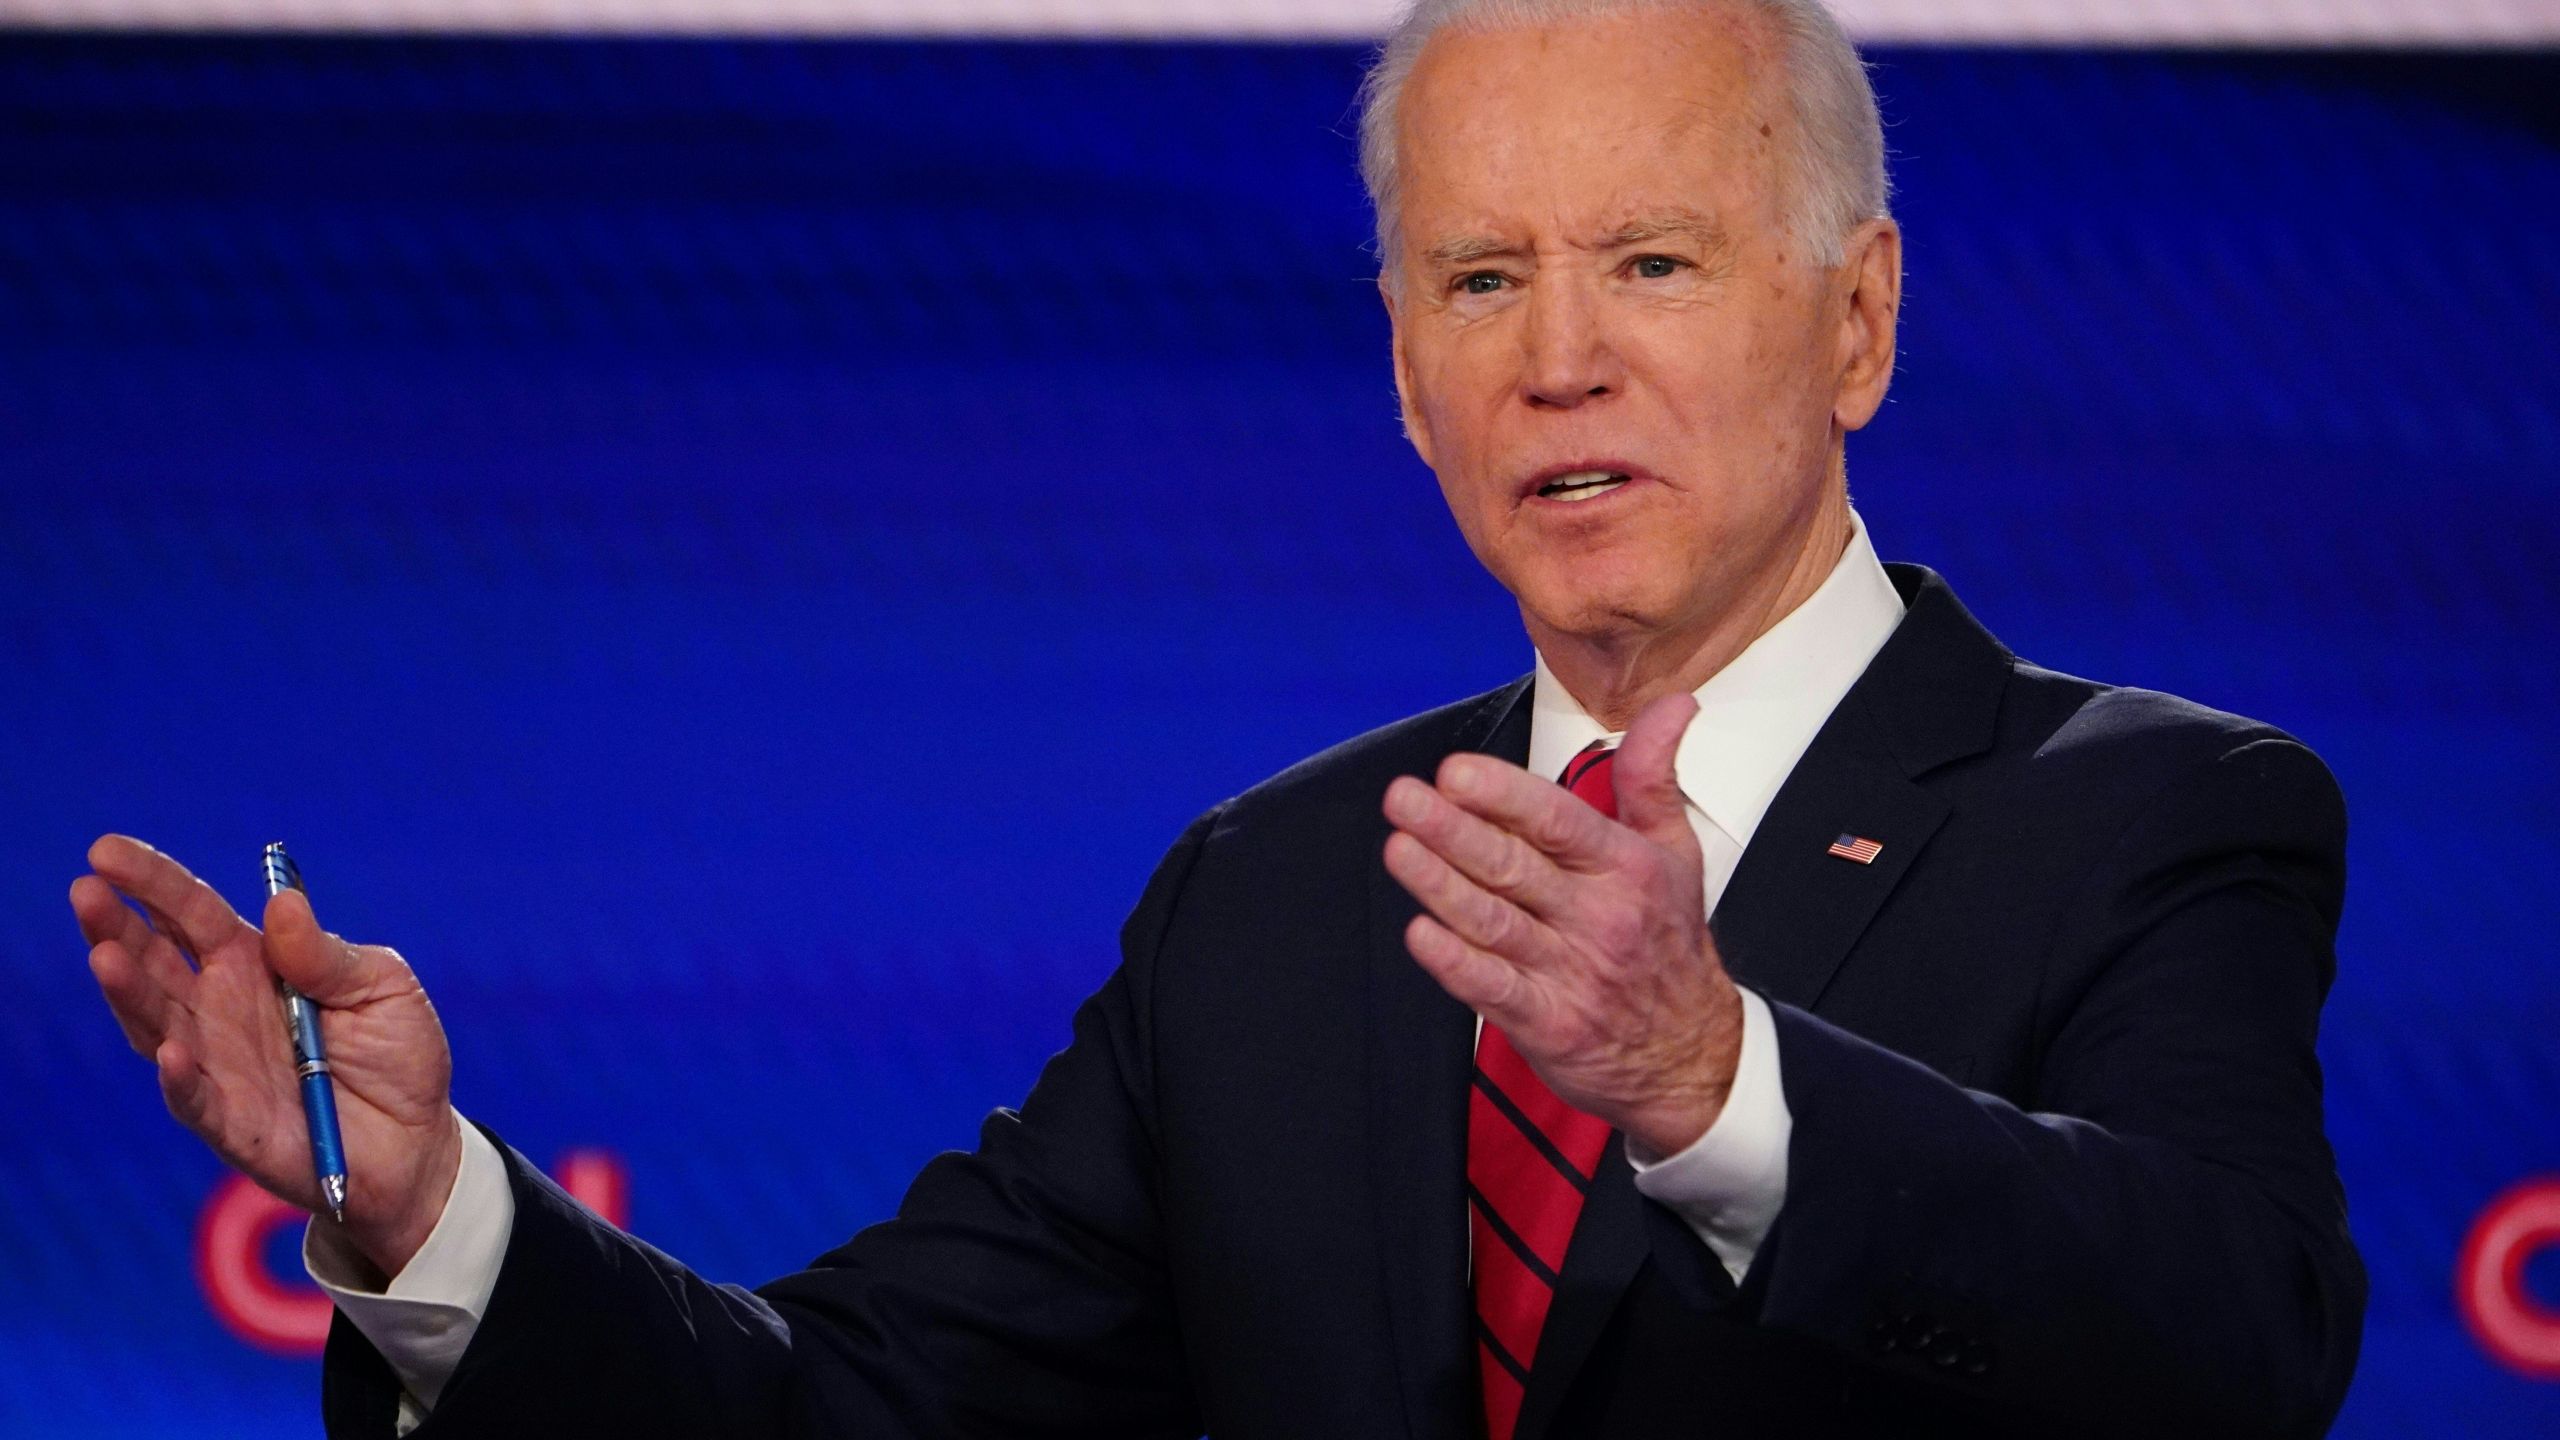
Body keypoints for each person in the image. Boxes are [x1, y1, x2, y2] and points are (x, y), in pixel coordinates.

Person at [70, 0, 2366, 1435]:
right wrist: (427, 1225)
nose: (1557, 355)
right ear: (1401, 374)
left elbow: (2229, 1349)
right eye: (1480, 279)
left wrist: (1705, 1079)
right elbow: (853, 1410)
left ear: (1853, 321)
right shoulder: (1276, 894)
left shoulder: (2157, 818)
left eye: (1650, 260)